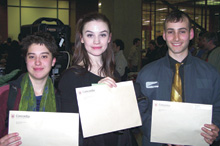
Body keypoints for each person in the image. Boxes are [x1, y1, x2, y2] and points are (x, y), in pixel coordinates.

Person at [136, 10, 220, 146]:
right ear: (164, 35)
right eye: (170, 32)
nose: (176, 38)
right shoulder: (146, 73)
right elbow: (140, 110)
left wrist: (216, 128)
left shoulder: (210, 73)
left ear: (191, 34)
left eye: (182, 31)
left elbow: (218, 107)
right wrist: (161, 133)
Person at [57, 12, 133, 146]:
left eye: (102, 35)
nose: (96, 41)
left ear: (109, 38)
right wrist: (94, 96)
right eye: (90, 35)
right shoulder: (71, 77)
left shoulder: (114, 74)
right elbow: (69, 128)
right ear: (81, 38)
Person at [0, 32, 58, 146]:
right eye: (32, 56)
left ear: (53, 61)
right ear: (26, 60)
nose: (37, 62)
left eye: (44, 56)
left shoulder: (61, 98)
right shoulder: (6, 94)